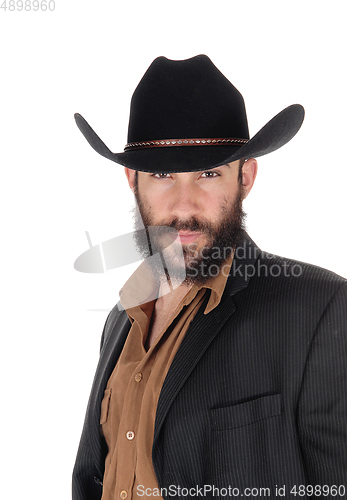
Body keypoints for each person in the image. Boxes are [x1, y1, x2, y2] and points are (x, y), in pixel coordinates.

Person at [72, 55, 347, 500]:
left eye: (208, 173)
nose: (184, 205)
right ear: (132, 179)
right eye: (162, 175)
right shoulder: (119, 320)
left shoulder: (320, 310)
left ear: (247, 176)